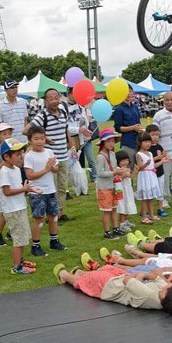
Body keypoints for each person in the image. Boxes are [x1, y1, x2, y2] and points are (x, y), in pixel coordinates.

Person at [52, 261, 172, 314]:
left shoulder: (149, 297)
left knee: (89, 280)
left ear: (167, 297)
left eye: (169, 288)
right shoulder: (164, 294)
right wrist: (141, 276)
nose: (168, 285)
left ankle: (65, 276)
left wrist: (140, 276)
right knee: (108, 269)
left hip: (111, 288)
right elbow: (154, 276)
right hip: (122, 281)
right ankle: (82, 273)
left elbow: (129, 280)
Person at [24, 88, 73, 221]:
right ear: (45, 101)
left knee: (63, 187)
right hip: (49, 159)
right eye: (50, 98)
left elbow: (65, 129)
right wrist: (44, 138)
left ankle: (59, 213)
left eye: (56, 98)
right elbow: (26, 131)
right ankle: (50, 215)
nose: (54, 101)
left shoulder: (63, 112)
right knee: (52, 188)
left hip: (63, 156)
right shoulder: (42, 115)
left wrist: (70, 143)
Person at [0, 138, 41, 274]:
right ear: (6, 156)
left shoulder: (16, 169)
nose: (20, 156)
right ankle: (16, 267)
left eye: (21, 153)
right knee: (18, 239)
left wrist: (28, 189)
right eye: (17, 154)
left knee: (23, 237)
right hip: (12, 210)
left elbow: (19, 188)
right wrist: (24, 190)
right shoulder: (4, 171)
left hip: (20, 207)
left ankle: (21, 261)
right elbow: (6, 191)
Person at [24, 126, 66, 256]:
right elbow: (30, 175)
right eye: (36, 139)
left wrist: (53, 167)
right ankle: (35, 245)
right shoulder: (29, 156)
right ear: (30, 140)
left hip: (50, 190)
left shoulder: (49, 152)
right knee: (39, 219)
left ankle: (54, 241)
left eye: (42, 138)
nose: (39, 141)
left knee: (53, 217)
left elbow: (56, 168)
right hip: (37, 193)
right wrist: (47, 168)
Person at [97, 128, 129, 239]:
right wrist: (115, 172)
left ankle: (115, 229)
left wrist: (120, 170)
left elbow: (114, 167)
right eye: (108, 141)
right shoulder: (101, 156)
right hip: (104, 187)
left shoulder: (112, 154)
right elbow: (100, 173)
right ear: (103, 142)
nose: (111, 143)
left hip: (114, 185)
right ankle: (106, 232)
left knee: (114, 208)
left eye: (113, 141)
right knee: (107, 210)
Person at [65, 87, 97, 182]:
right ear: (70, 93)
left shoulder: (81, 107)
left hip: (83, 138)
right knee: (73, 161)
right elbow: (66, 127)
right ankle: (75, 181)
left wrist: (85, 128)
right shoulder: (64, 107)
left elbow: (86, 122)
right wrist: (79, 129)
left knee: (90, 159)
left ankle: (92, 178)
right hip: (72, 139)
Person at [135, 132, 165, 224]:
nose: (148, 144)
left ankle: (151, 215)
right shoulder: (139, 154)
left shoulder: (150, 154)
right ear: (140, 143)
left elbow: (153, 165)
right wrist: (146, 164)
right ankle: (144, 216)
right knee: (145, 198)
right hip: (144, 177)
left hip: (151, 176)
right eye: (145, 142)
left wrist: (162, 161)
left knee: (150, 198)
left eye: (149, 142)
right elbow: (140, 168)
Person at [113, 88, 143, 168]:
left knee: (142, 166)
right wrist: (132, 128)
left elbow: (138, 123)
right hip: (128, 142)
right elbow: (117, 128)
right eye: (127, 92)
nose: (129, 94)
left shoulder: (135, 107)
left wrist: (140, 128)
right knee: (129, 168)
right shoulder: (119, 109)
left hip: (138, 141)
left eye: (130, 91)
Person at [146, 124, 169, 217]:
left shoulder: (159, 146)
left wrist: (165, 157)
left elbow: (163, 157)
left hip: (160, 172)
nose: (155, 137)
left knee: (160, 191)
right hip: (150, 174)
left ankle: (160, 208)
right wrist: (157, 158)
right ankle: (147, 210)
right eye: (152, 135)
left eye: (157, 135)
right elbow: (146, 161)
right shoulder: (147, 148)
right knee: (149, 192)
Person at [115, 150, 137, 233]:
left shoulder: (127, 169)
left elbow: (130, 177)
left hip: (128, 190)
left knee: (128, 204)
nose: (125, 162)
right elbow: (118, 179)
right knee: (122, 206)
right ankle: (122, 223)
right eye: (122, 161)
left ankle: (126, 221)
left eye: (127, 160)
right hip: (121, 190)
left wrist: (134, 171)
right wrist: (124, 175)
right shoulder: (117, 169)